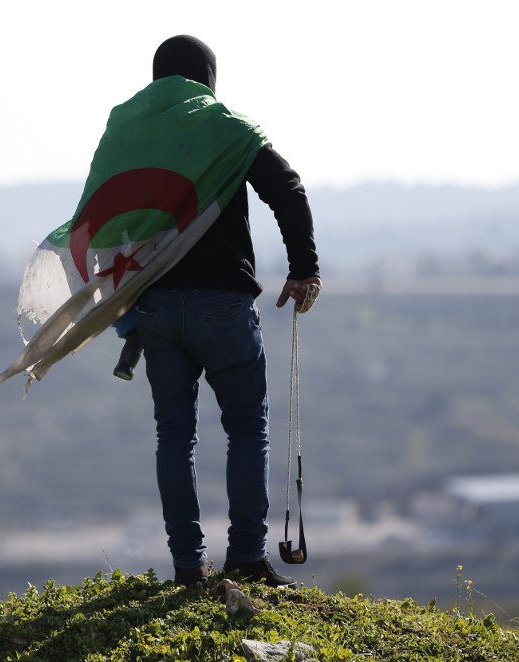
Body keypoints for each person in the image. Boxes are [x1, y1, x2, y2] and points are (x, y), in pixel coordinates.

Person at [132, 35, 322, 587]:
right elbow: (287, 188)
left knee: (174, 437)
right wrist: (304, 268)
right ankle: (245, 557)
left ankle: (188, 568)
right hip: (223, 303)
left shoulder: (134, 133)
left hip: (155, 304)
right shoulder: (227, 128)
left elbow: (104, 212)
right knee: (246, 430)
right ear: (208, 80)